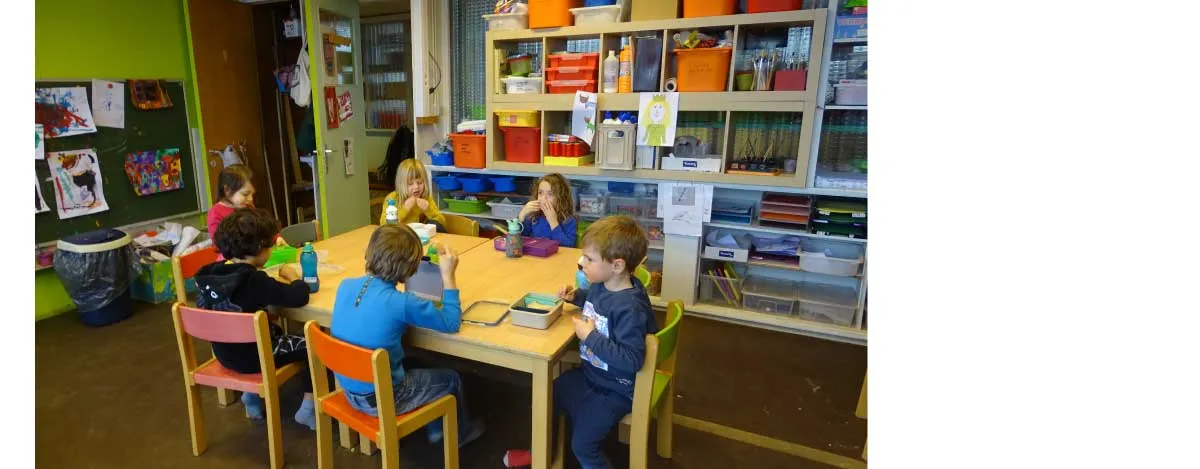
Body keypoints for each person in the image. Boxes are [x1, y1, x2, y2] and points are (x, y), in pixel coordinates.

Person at [503, 216, 657, 469]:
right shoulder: (603, 284)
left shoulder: (630, 308)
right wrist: (577, 297)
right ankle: (538, 453)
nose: (581, 262)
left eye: (589, 259)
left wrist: (591, 337)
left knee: (583, 446)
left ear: (617, 265)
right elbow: (598, 301)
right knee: (545, 398)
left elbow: (632, 360)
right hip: (592, 376)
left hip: (616, 391)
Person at [329, 225, 485, 447]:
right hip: (383, 399)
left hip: (349, 390)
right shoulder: (402, 303)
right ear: (410, 268)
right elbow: (451, 322)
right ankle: (458, 435)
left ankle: (435, 427)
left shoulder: (345, 286)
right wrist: (448, 275)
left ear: (370, 251)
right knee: (451, 378)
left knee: (414, 362)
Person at [192, 208, 317, 429]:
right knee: (316, 344)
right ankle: (309, 408)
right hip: (255, 357)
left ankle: (250, 396)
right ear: (260, 246)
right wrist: (294, 277)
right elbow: (299, 297)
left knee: (262, 332)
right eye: (270, 245)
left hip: (224, 353)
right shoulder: (253, 280)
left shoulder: (211, 274)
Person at [377, 159, 447, 227]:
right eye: (410, 183)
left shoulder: (426, 198)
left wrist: (428, 209)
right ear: (401, 185)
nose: (416, 187)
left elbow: (442, 223)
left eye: (420, 182)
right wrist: (405, 209)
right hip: (399, 233)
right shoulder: (392, 199)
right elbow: (384, 225)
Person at [517, 173, 578, 247]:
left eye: (550, 194)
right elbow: (516, 240)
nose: (543, 198)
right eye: (540, 193)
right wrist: (521, 216)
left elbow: (568, 247)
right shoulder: (533, 216)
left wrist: (553, 222)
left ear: (561, 198)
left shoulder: (568, 219)